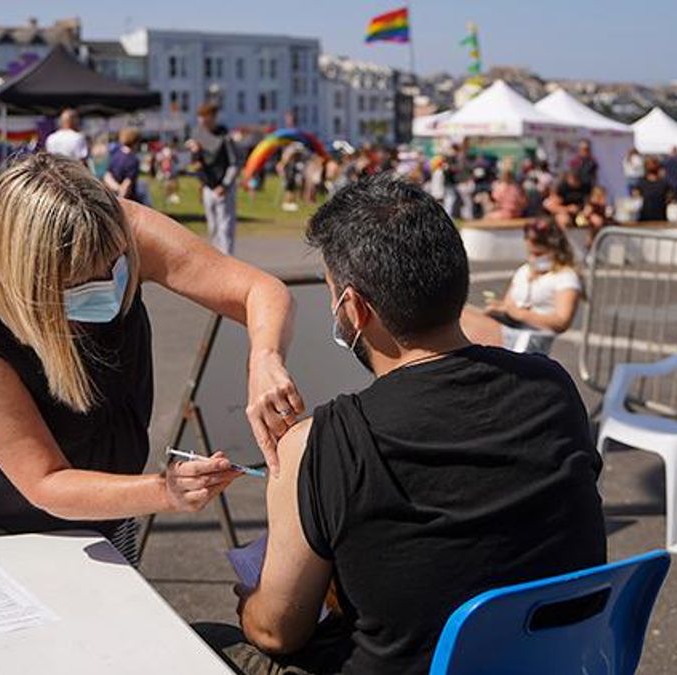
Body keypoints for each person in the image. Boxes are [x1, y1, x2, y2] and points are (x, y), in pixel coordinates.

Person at [197, 175, 606, 674]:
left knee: (200, 639)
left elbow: (276, 632)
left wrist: (251, 601)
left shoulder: (324, 442)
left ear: (353, 308)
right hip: (550, 662)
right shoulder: (553, 389)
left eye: (332, 295)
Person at [0, 152, 305, 561]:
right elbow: (45, 482)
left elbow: (259, 291)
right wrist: (166, 492)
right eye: (86, 280)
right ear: (35, 281)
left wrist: (265, 358)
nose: (110, 284)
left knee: (119, 590)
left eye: (115, 264)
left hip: (110, 498)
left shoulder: (116, 229)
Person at [460, 219, 584, 355]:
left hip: (532, 337)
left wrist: (520, 314)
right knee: (463, 314)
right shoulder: (524, 271)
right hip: (511, 328)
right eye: (530, 253)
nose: (533, 258)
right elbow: (509, 305)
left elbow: (561, 322)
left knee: (464, 318)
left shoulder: (565, 277)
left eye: (539, 254)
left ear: (554, 250)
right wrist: (498, 309)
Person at [187, 102, 240, 254]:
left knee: (225, 226)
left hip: (223, 188)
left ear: (213, 117)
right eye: (200, 117)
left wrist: (225, 184)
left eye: (205, 117)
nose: (202, 121)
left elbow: (234, 163)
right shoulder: (199, 136)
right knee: (213, 226)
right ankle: (216, 257)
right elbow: (196, 164)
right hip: (208, 187)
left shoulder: (224, 136)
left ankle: (227, 258)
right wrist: (195, 153)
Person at [103, 127, 142, 203]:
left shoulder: (115, 154)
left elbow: (107, 176)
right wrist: (121, 195)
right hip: (128, 199)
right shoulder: (133, 160)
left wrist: (117, 188)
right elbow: (127, 185)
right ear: (136, 142)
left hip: (112, 196)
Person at [634, 156, 672, 222]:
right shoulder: (664, 184)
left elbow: (636, 197)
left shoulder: (641, 183)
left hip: (645, 219)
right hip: (661, 219)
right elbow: (670, 199)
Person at [277, 143, 304, 212]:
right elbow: (281, 165)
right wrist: (282, 172)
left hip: (294, 175)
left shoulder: (297, 160)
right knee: (289, 189)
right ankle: (286, 203)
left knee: (294, 189)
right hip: (289, 175)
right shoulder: (288, 158)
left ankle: (292, 203)